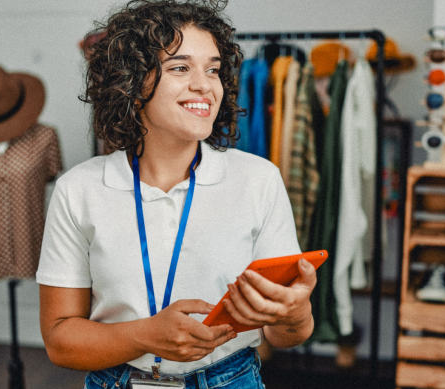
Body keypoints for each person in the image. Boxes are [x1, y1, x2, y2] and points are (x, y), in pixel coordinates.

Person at [36, 1, 317, 388]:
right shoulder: (79, 190)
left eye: (214, 69)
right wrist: (146, 335)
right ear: (132, 84)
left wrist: (296, 313)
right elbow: (59, 342)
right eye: (180, 67)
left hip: (231, 379)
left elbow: (285, 336)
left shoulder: (258, 180)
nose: (205, 84)